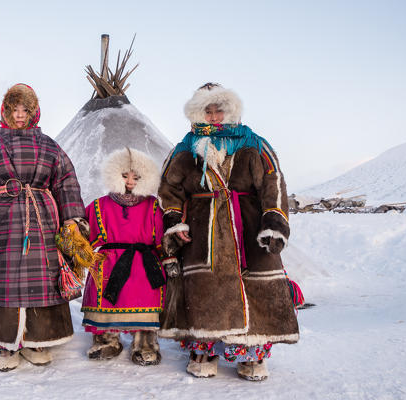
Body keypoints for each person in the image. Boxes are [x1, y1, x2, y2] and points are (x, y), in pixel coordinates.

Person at [158, 83, 299, 380]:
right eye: (206, 111)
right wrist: (174, 221)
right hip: (202, 230)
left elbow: (273, 182)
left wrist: (273, 221)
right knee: (205, 292)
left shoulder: (254, 144)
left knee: (255, 290)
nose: (213, 116)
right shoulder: (185, 148)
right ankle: (203, 351)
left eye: (218, 109)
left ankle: (251, 356)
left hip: (247, 229)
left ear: (230, 110)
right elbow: (169, 188)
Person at [0, 83, 87, 372]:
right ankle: (4, 345)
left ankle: (38, 341)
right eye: (14, 110)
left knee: (42, 277)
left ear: (34, 112)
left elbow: (66, 181)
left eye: (25, 110)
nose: (19, 115)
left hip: (42, 222)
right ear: (5, 112)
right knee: (2, 279)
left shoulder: (49, 145)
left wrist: (73, 217)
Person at [81, 148, 166, 365]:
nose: (130, 181)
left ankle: (145, 343)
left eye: (136, 177)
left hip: (144, 262)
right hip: (110, 260)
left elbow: (162, 238)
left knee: (147, 294)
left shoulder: (153, 205)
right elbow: (85, 234)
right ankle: (106, 340)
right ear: (115, 174)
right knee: (106, 296)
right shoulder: (100, 205)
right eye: (125, 175)